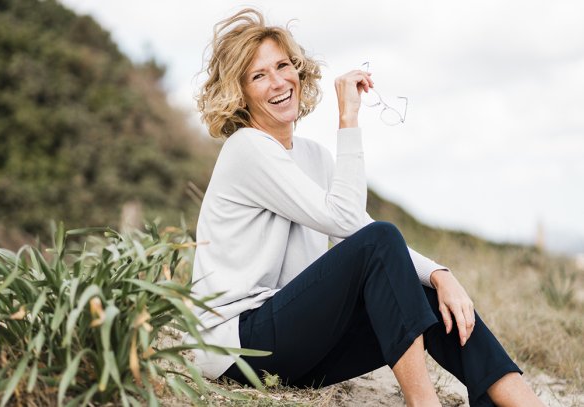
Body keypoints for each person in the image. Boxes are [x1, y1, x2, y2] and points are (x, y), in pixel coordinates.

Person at [191, 8, 544, 407]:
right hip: (238, 349)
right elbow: (361, 231)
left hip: (292, 348)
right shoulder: (246, 148)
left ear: (298, 70)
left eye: (283, 65)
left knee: (425, 296)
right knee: (383, 241)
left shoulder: (314, 156)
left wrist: (441, 275)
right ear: (240, 92)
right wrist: (348, 118)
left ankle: (523, 402)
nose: (278, 81)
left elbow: (360, 230)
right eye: (259, 75)